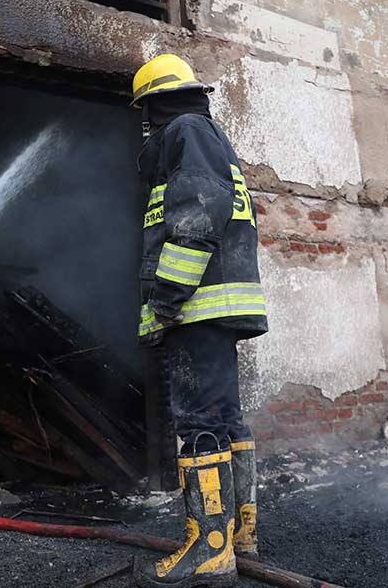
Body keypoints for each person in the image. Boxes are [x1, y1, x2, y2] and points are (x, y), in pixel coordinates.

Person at [132, 55, 269, 587]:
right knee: (225, 417)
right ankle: (240, 533)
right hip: (220, 303)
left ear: (153, 106)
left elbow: (193, 221)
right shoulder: (210, 138)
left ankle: (210, 548)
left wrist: (165, 300)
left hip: (198, 303)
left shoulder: (186, 133)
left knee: (198, 423)